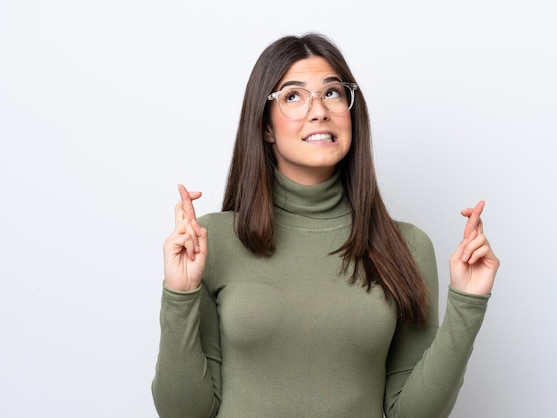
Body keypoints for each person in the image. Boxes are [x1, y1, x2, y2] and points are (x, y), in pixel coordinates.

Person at [152, 33, 500, 418]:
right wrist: (179, 294)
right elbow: (182, 413)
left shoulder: (408, 247)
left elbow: (413, 414)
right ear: (266, 127)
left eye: (332, 93)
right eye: (294, 96)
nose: (319, 111)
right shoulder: (211, 241)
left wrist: (468, 303)